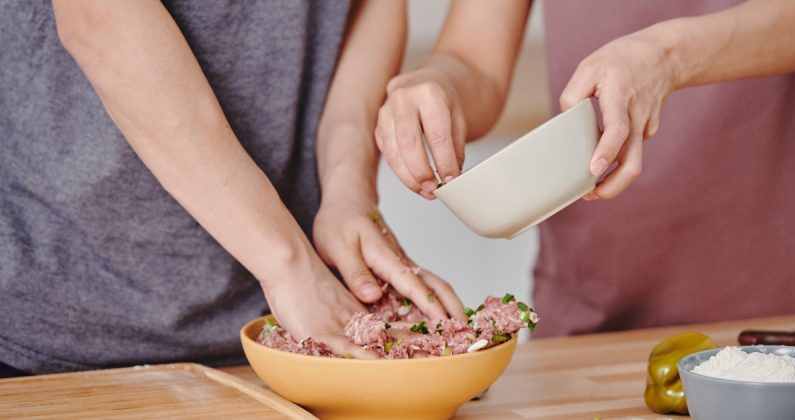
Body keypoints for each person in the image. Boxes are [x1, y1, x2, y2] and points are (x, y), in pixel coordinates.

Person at [0, 1, 464, 376]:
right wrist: (288, 264)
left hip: (285, 332)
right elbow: (99, 17)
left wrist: (346, 188)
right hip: (60, 322)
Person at [376, 0, 795, 337]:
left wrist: (667, 56)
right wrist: (438, 83)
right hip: (590, 304)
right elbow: (474, 59)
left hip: (771, 302)